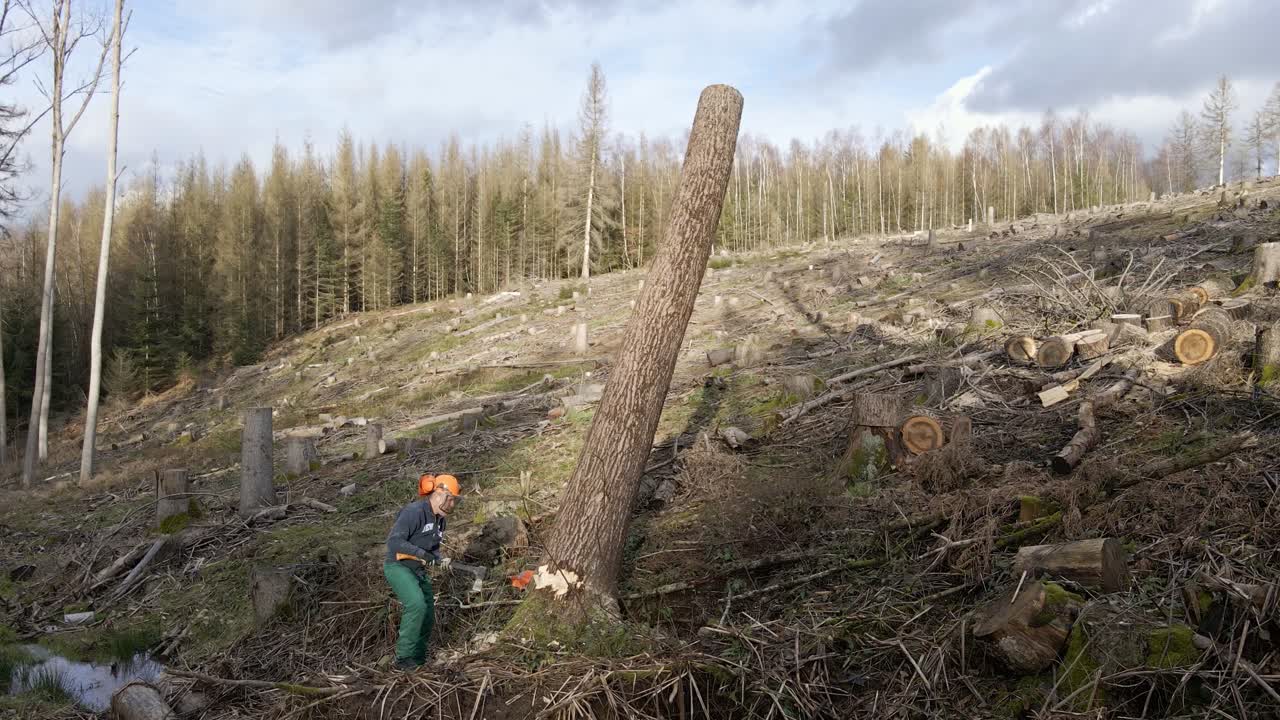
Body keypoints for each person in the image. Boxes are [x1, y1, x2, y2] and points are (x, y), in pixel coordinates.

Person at [383, 473, 460, 670]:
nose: (452, 505)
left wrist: (438, 559)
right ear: (439, 494)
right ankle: (403, 658)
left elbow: (432, 548)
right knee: (416, 605)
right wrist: (420, 553)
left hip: (418, 569)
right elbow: (394, 542)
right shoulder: (414, 512)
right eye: (450, 499)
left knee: (427, 614)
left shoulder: (440, 520)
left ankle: (418, 660)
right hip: (398, 566)